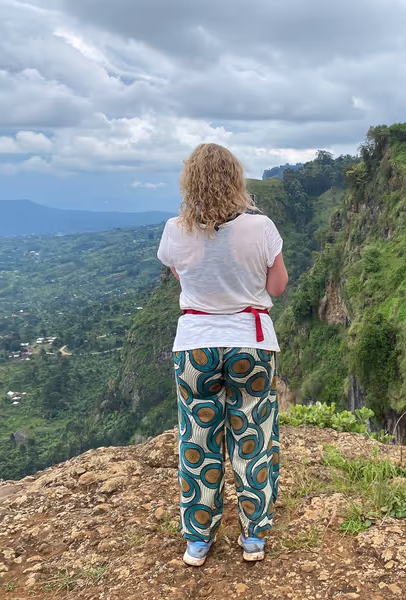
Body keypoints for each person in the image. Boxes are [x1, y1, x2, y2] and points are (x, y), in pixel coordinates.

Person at [157, 143, 288, 567]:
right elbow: (277, 287)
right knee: (253, 438)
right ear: (236, 180)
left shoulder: (175, 230)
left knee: (198, 440)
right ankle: (254, 538)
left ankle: (197, 541)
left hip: (195, 346)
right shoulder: (261, 226)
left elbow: (184, 278)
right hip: (251, 344)